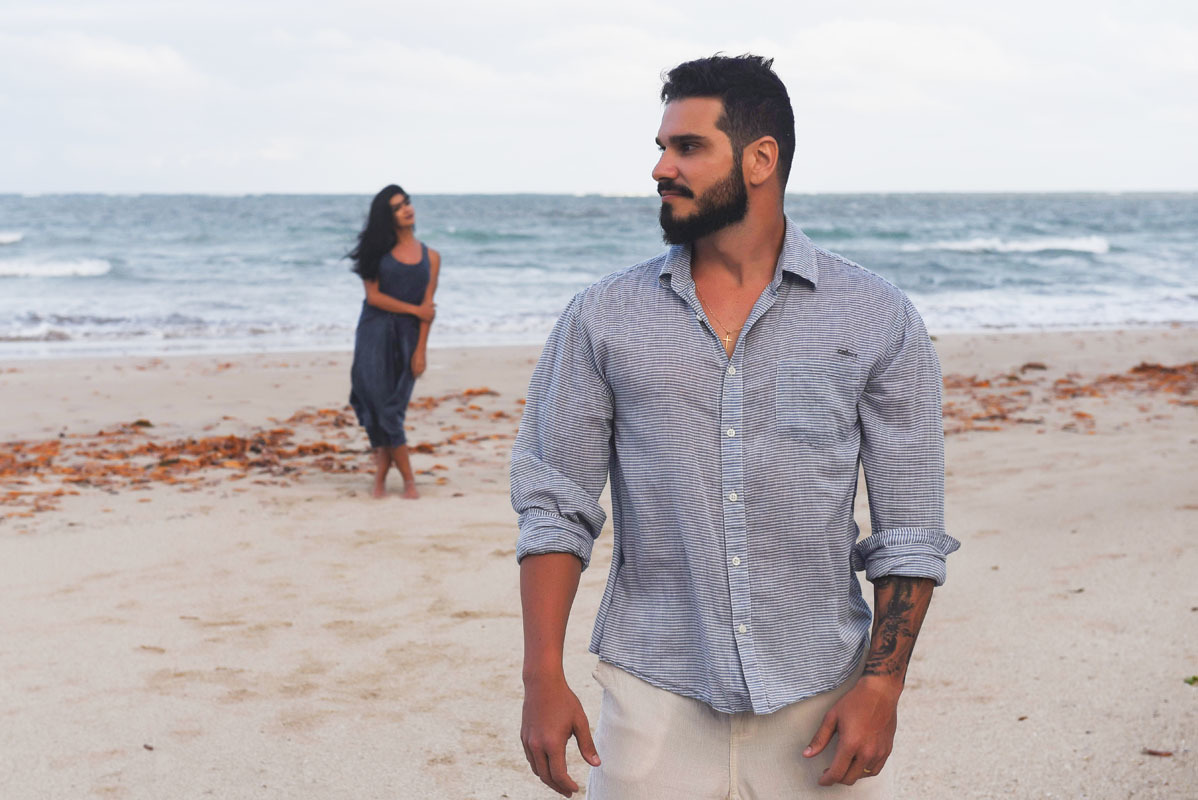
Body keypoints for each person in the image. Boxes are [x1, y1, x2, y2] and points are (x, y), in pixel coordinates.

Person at [511, 55, 960, 799]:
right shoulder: (603, 318)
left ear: (760, 159)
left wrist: (882, 690)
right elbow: (555, 510)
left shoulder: (876, 316)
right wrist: (541, 678)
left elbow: (909, 527)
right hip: (653, 693)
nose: (661, 167)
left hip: (821, 700)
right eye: (661, 147)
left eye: (687, 147)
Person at [348, 184, 440, 499]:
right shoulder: (375, 253)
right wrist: (415, 310)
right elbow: (373, 297)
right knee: (375, 406)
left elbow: (428, 312)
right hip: (373, 335)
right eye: (398, 206)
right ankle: (406, 480)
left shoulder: (431, 257)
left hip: (408, 340)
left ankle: (383, 476)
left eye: (408, 202)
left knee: (392, 409)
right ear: (387, 216)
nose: (407, 209)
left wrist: (421, 351)